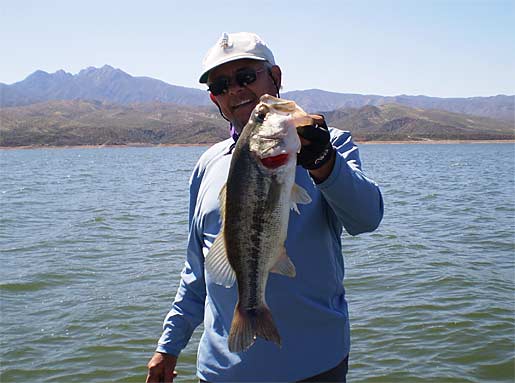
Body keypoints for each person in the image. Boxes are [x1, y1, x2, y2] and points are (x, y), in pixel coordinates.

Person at [146, 32, 384, 383]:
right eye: (221, 85)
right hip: (219, 372)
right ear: (215, 99)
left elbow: (367, 218)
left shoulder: (330, 144)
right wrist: (168, 346)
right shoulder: (207, 166)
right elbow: (197, 272)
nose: (235, 90)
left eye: (246, 77)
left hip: (316, 365)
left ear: (276, 77)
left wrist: (324, 163)